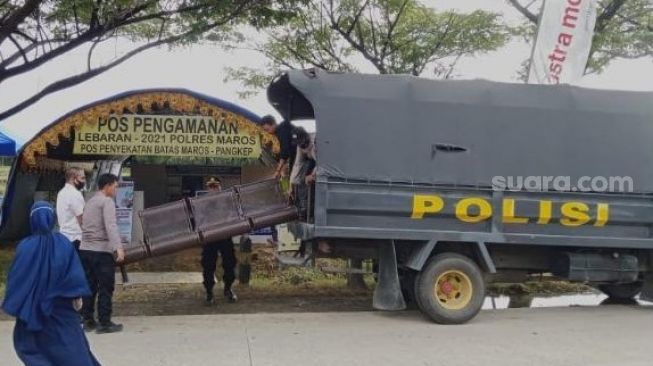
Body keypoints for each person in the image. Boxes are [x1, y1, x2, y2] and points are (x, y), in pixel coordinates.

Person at [2, 201, 101, 366]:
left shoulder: (25, 247)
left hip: (32, 313)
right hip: (62, 311)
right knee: (73, 350)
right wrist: (77, 299)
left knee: (34, 351)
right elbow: (73, 275)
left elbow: (16, 279)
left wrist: (18, 306)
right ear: (51, 219)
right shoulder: (63, 243)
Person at [79, 173, 125, 334]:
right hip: (101, 251)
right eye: (115, 186)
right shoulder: (107, 202)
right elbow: (110, 225)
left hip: (85, 250)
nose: (116, 189)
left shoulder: (90, 201)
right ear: (107, 186)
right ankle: (105, 322)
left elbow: (83, 222)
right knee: (106, 286)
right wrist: (118, 248)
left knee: (90, 285)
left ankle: (88, 319)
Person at [201, 176, 238, 305]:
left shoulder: (227, 200)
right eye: (210, 187)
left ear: (220, 187)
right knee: (208, 265)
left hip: (224, 236)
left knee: (230, 263)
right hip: (210, 237)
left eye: (215, 186)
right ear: (207, 188)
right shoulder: (203, 202)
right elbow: (200, 219)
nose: (213, 189)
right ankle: (209, 292)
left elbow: (233, 215)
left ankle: (228, 288)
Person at [56, 167, 86, 250]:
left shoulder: (61, 192)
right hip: (75, 239)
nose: (84, 181)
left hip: (64, 237)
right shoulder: (75, 194)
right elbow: (82, 219)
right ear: (74, 179)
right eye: (82, 178)